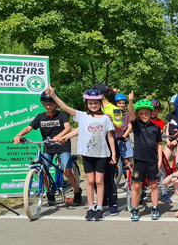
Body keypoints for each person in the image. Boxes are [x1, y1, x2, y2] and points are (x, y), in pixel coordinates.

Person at [51, 86, 116, 221]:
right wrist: (54, 96)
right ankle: (91, 208)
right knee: (90, 180)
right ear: (86, 104)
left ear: (100, 103)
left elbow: (110, 137)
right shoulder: (82, 116)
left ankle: (99, 208)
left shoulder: (106, 118)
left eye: (96, 103)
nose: (93, 105)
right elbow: (65, 108)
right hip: (87, 154)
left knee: (99, 181)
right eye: (90, 103)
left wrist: (114, 154)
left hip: (102, 155)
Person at [12, 91, 82, 206]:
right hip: (48, 147)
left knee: (67, 171)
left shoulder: (62, 115)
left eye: (51, 104)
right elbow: (29, 128)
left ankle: (77, 191)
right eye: (46, 104)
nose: (48, 106)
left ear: (56, 104)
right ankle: (49, 193)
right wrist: (19, 135)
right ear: (43, 104)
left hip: (62, 145)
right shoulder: (40, 117)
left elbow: (68, 128)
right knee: (43, 173)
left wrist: (59, 136)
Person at [124, 96, 163, 221]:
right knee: (136, 185)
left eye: (146, 113)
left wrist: (160, 160)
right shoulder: (136, 125)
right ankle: (135, 209)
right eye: (141, 113)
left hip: (152, 160)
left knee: (153, 186)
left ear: (151, 113)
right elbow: (131, 113)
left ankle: (155, 208)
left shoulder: (156, 128)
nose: (144, 115)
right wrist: (130, 101)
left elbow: (159, 145)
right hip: (139, 160)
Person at [94, 82, 122, 216]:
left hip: (110, 145)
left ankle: (113, 203)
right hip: (95, 146)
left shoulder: (115, 109)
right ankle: (102, 202)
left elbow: (119, 129)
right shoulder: (92, 109)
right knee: (95, 177)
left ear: (101, 95)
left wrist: (110, 121)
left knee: (108, 176)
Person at [113, 93, 133, 170]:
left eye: (123, 103)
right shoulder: (114, 113)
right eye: (119, 103)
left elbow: (130, 126)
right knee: (113, 160)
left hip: (124, 139)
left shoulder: (126, 114)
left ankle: (128, 180)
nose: (121, 105)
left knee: (127, 160)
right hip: (115, 138)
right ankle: (114, 179)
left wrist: (124, 136)